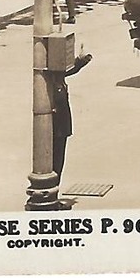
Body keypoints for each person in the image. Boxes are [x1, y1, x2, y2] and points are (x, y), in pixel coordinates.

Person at [47, 49, 94, 182]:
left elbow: (69, 70)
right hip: (56, 128)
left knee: (58, 163)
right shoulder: (50, 79)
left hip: (61, 127)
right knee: (55, 163)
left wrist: (80, 61)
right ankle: (52, 191)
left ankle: (55, 189)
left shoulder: (57, 77)